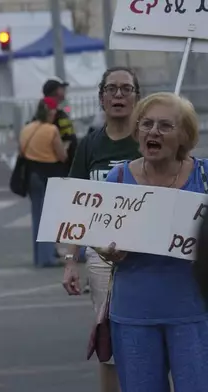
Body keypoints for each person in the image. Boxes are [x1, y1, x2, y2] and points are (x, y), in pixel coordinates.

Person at [97, 92, 208, 392]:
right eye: (146, 124)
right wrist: (107, 251)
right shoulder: (117, 179)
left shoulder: (205, 176)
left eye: (164, 126)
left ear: (184, 135)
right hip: (134, 314)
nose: (153, 132)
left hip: (195, 314)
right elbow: (97, 239)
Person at [62, 66, 142, 392]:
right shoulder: (90, 145)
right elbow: (73, 204)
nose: (119, 95)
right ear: (101, 97)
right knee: (109, 342)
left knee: (147, 337)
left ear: (138, 97)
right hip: (101, 258)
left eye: (126, 89)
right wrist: (71, 259)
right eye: (112, 89)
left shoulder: (150, 141)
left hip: (145, 257)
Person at [18, 97, 67, 267]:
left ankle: (39, 255)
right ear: (50, 112)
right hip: (48, 175)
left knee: (37, 216)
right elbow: (62, 155)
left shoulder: (26, 129)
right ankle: (47, 257)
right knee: (48, 217)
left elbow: (22, 151)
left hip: (31, 175)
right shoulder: (51, 130)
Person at [42, 77, 77, 175]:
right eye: (62, 88)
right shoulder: (47, 113)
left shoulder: (59, 111)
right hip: (57, 166)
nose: (64, 91)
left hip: (68, 164)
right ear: (56, 91)